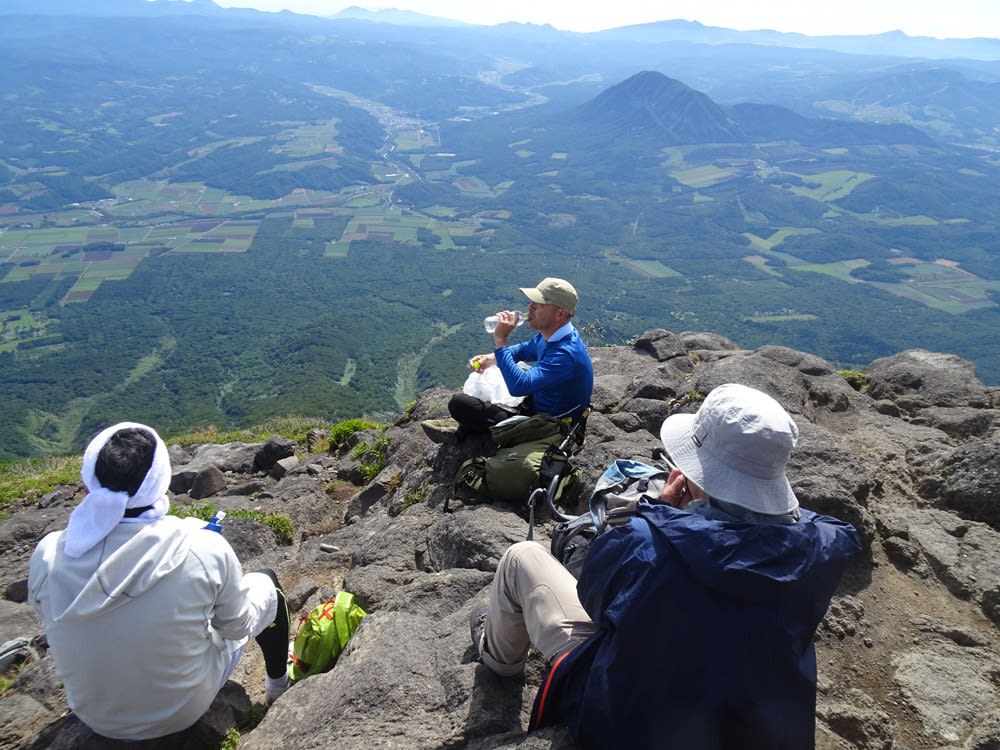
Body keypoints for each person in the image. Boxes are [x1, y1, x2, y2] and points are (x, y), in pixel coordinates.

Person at [469, 383, 862, 750]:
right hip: (757, 731)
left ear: (698, 470)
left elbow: (595, 598)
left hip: (634, 724)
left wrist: (661, 515)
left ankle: (499, 662)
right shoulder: (821, 551)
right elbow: (812, 526)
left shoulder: (644, 543)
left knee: (521, 558)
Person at [28, 422, 290, 741]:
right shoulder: (200, 547)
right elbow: (236, 627)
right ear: (161, 481)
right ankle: (278, 689)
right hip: (179, 712)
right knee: (268, 583)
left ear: (87, 485)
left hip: (95, 715)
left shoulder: (48, 555)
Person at [423, 277, 594, 444]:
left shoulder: (566, 354)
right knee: (486, 389)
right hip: (535, 406)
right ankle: (468, 429)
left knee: (459, 404)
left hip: (548, 426)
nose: (530, 307)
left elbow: (519, 386)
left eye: (539, 304)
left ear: (560, 313)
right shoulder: (555, 335)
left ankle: (467, 430)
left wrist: (500, 341)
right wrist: (492, 358)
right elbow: (524, 349)